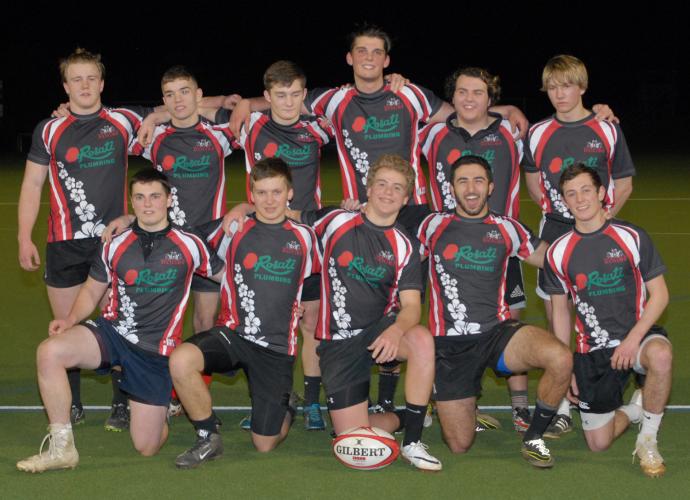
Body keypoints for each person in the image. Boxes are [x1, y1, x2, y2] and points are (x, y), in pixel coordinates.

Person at [16, 169, 223, 473]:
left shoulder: (190, 243)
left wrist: (281, 300)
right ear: (131, 201)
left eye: (155, 197)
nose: (147, 204)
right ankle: (62, 449)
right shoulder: (115, 242)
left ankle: (158, 409)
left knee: (147, 446)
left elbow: (229, 277)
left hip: (154, 351)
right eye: (139, 197)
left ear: (168, 199)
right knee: (50, 351)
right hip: (113, 332)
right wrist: (70, 318)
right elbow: (91, 289)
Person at [17, 48, 149, 430]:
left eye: (92, 77)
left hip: (113, 241)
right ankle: (70, 402)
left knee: (118, 321)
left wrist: (226, 102)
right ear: (65, 85)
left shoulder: (123, 122)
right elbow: (31, 184)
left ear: (103, 83)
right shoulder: (49, 129)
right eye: (77, 79)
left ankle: (121, 402)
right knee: (65, 323)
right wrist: (24, 237)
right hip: (64, 243)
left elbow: (170, 111)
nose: (85, 85)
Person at [417, 155, 573, 468]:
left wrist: (597, 241)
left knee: (561, 357)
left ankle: (533, 437)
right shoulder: (432, 225)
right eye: (462, 181)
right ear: (451, 188)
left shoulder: (508, 228)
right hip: (450, 344)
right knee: (459, 444)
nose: (471, 188)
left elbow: (554, 258)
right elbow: (398, 256)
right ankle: (446, 397)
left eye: (478, 181)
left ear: (490, 187)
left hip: (498, 333)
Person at [292, 155, 441, 471]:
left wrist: (396, 329)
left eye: (397, 188)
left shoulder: (405, 245)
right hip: (338, 344)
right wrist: (240, 210)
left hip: (379, 331)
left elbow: (413, 306)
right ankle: (405, 416)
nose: (388, 193)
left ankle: (412, 442)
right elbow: (285, 215)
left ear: (405, 198)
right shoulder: (336, 220)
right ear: (369, 188)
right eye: (382, 184)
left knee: (422, 340)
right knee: (350, 439)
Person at [169, 158, 321, 468]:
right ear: (251, 194)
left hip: (276, 348)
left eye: (276, 192)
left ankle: (287, 404)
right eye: (261, 192)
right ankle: (208, 436)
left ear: (290, 193)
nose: (269, 200)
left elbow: (320, 278)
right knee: (181, 359)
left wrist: (301, 305)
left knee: (264, 444)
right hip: (234, 334)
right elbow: (181, 238)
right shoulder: (233, 228)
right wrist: (132, 220)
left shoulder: (306, 237)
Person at [522, 54, 635, 436]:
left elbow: (624, 183)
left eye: (566, 85)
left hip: (598, 231)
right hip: (555, 230)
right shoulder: (537, 133)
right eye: (552, 87)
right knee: (560, 312)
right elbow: (535, 182)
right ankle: (561, 403)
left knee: (598, 310)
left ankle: (605, 382)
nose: (559, 93)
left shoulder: (606, 128)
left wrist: (595, 223)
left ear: (582, 87)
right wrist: (563, 217)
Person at [216, 61, 330, 430]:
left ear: (304, 93)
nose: (288, 102)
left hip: (306, 235)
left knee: (311, 321)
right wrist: (153, 119)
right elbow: (191, 108)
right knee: (258, 321)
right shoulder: (250, 124)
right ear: (267, 96)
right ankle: (265, 398)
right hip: (262, 233)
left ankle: (312, 401)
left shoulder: (318, 127)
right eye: (279, 95)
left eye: (296, 94)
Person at [543, 164, 672, 478]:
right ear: (564, 201)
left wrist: (632, 339)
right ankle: (635, 409)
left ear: (601, 193)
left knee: (661, 355)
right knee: (598, 443)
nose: (580, 198)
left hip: (636, 338)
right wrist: (566, 364)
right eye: (571, 194)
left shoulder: (631, 236)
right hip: (593, 352)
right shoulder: (557, 252)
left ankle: (648, 439)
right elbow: (560, 312)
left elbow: (660, 295)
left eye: (587, 190)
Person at [420, 67, 529, 432]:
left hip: (500, 248)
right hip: (445, 251)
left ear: (490, 98)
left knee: (510, 322)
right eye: (462, 92)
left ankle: (519, 408)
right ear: (452, 98)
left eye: (478, 92)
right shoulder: (432, 134)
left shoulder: (512, 133)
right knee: (441, 325)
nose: (469, 99)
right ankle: (446, 398)